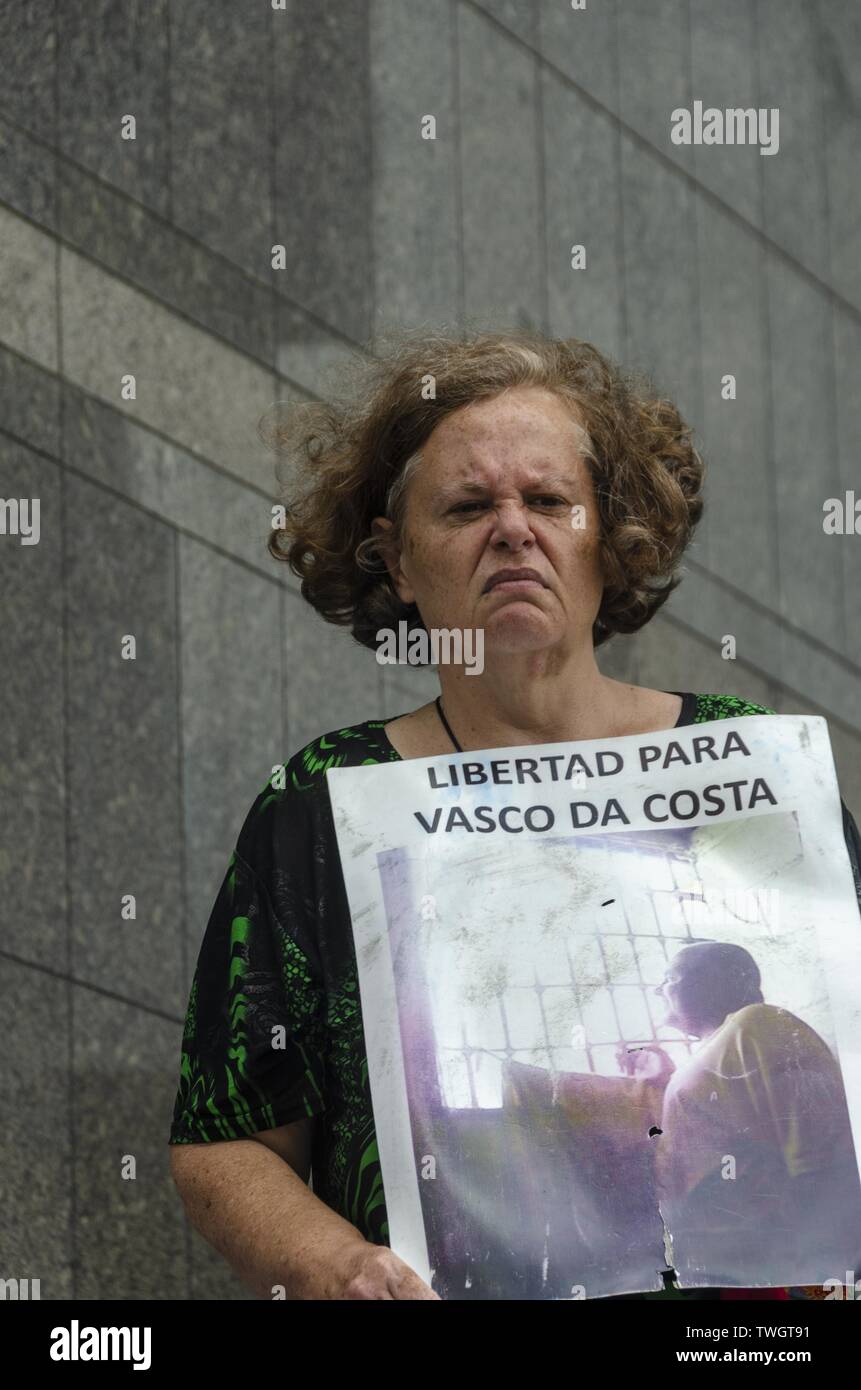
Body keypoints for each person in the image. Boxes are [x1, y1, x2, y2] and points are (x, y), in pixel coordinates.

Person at [167, 328, 861, 1300]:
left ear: (609, 544)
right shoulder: (322, 805)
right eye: (465, 505)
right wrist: (336, 1267)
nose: (512, 527)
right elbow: (223, 1143)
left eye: (548, 499)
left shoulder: (756, 766)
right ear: (399, 564)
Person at [649, 943, 861, 1288]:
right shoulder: (719, 1044)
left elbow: (822, 1149)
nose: (660, 990)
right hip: (729, 1264)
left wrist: (826, 1270)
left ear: (716, 980)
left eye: (670, 978)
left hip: (782, 1264)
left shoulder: (757, 1024)